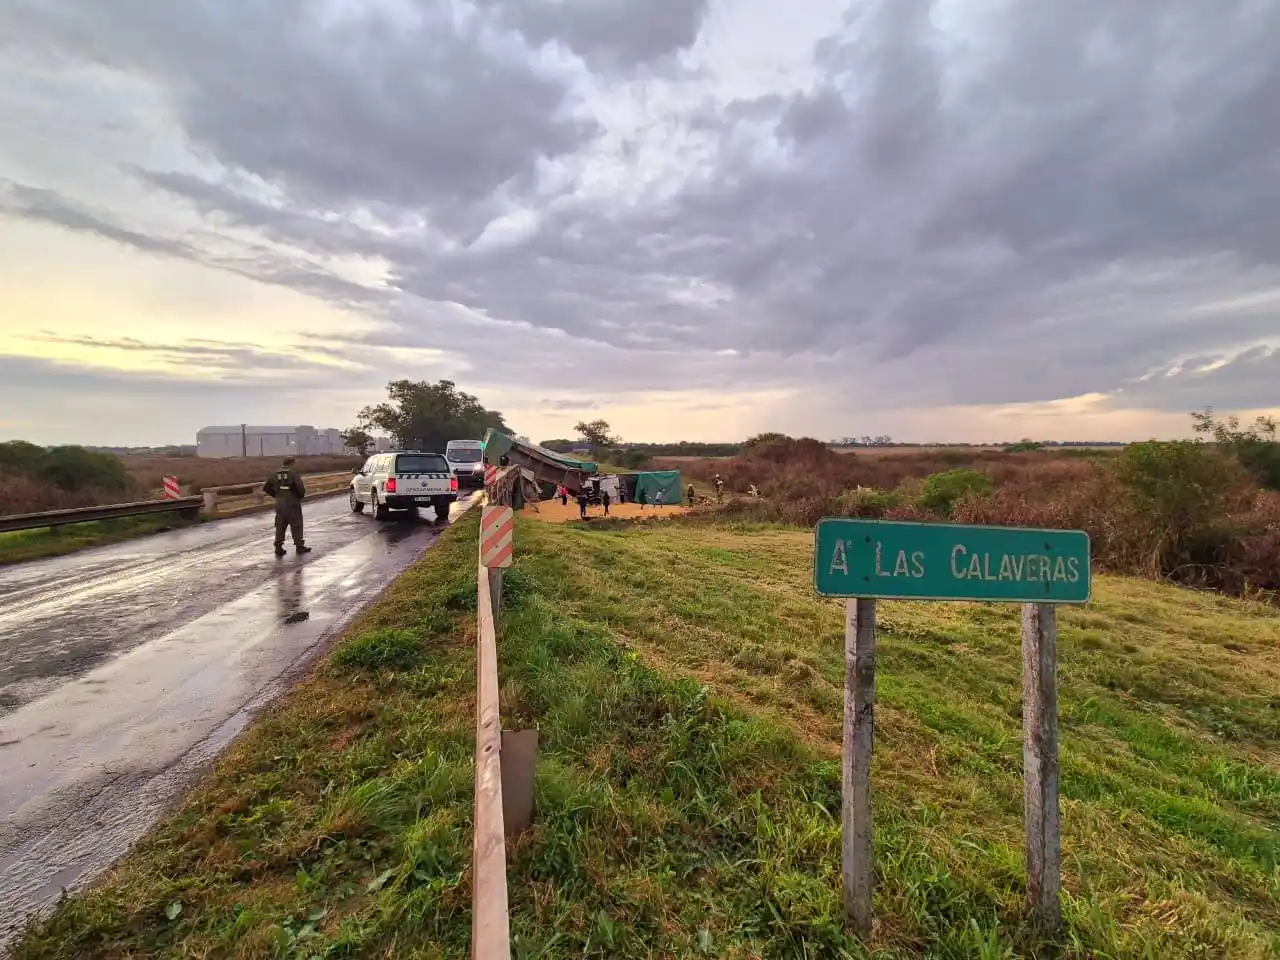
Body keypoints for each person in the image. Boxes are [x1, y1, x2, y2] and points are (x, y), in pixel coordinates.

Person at [263, 456, 311, 556]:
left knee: (280, 525)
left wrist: (276, 495)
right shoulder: (293, 474)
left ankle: (278, 547)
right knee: (296, 524)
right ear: (292, 463)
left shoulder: (275, 474)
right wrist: (299, 497)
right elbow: (300, 489)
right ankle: (299, 546)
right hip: (292, 502)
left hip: (279, 503)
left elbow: (266, 487)